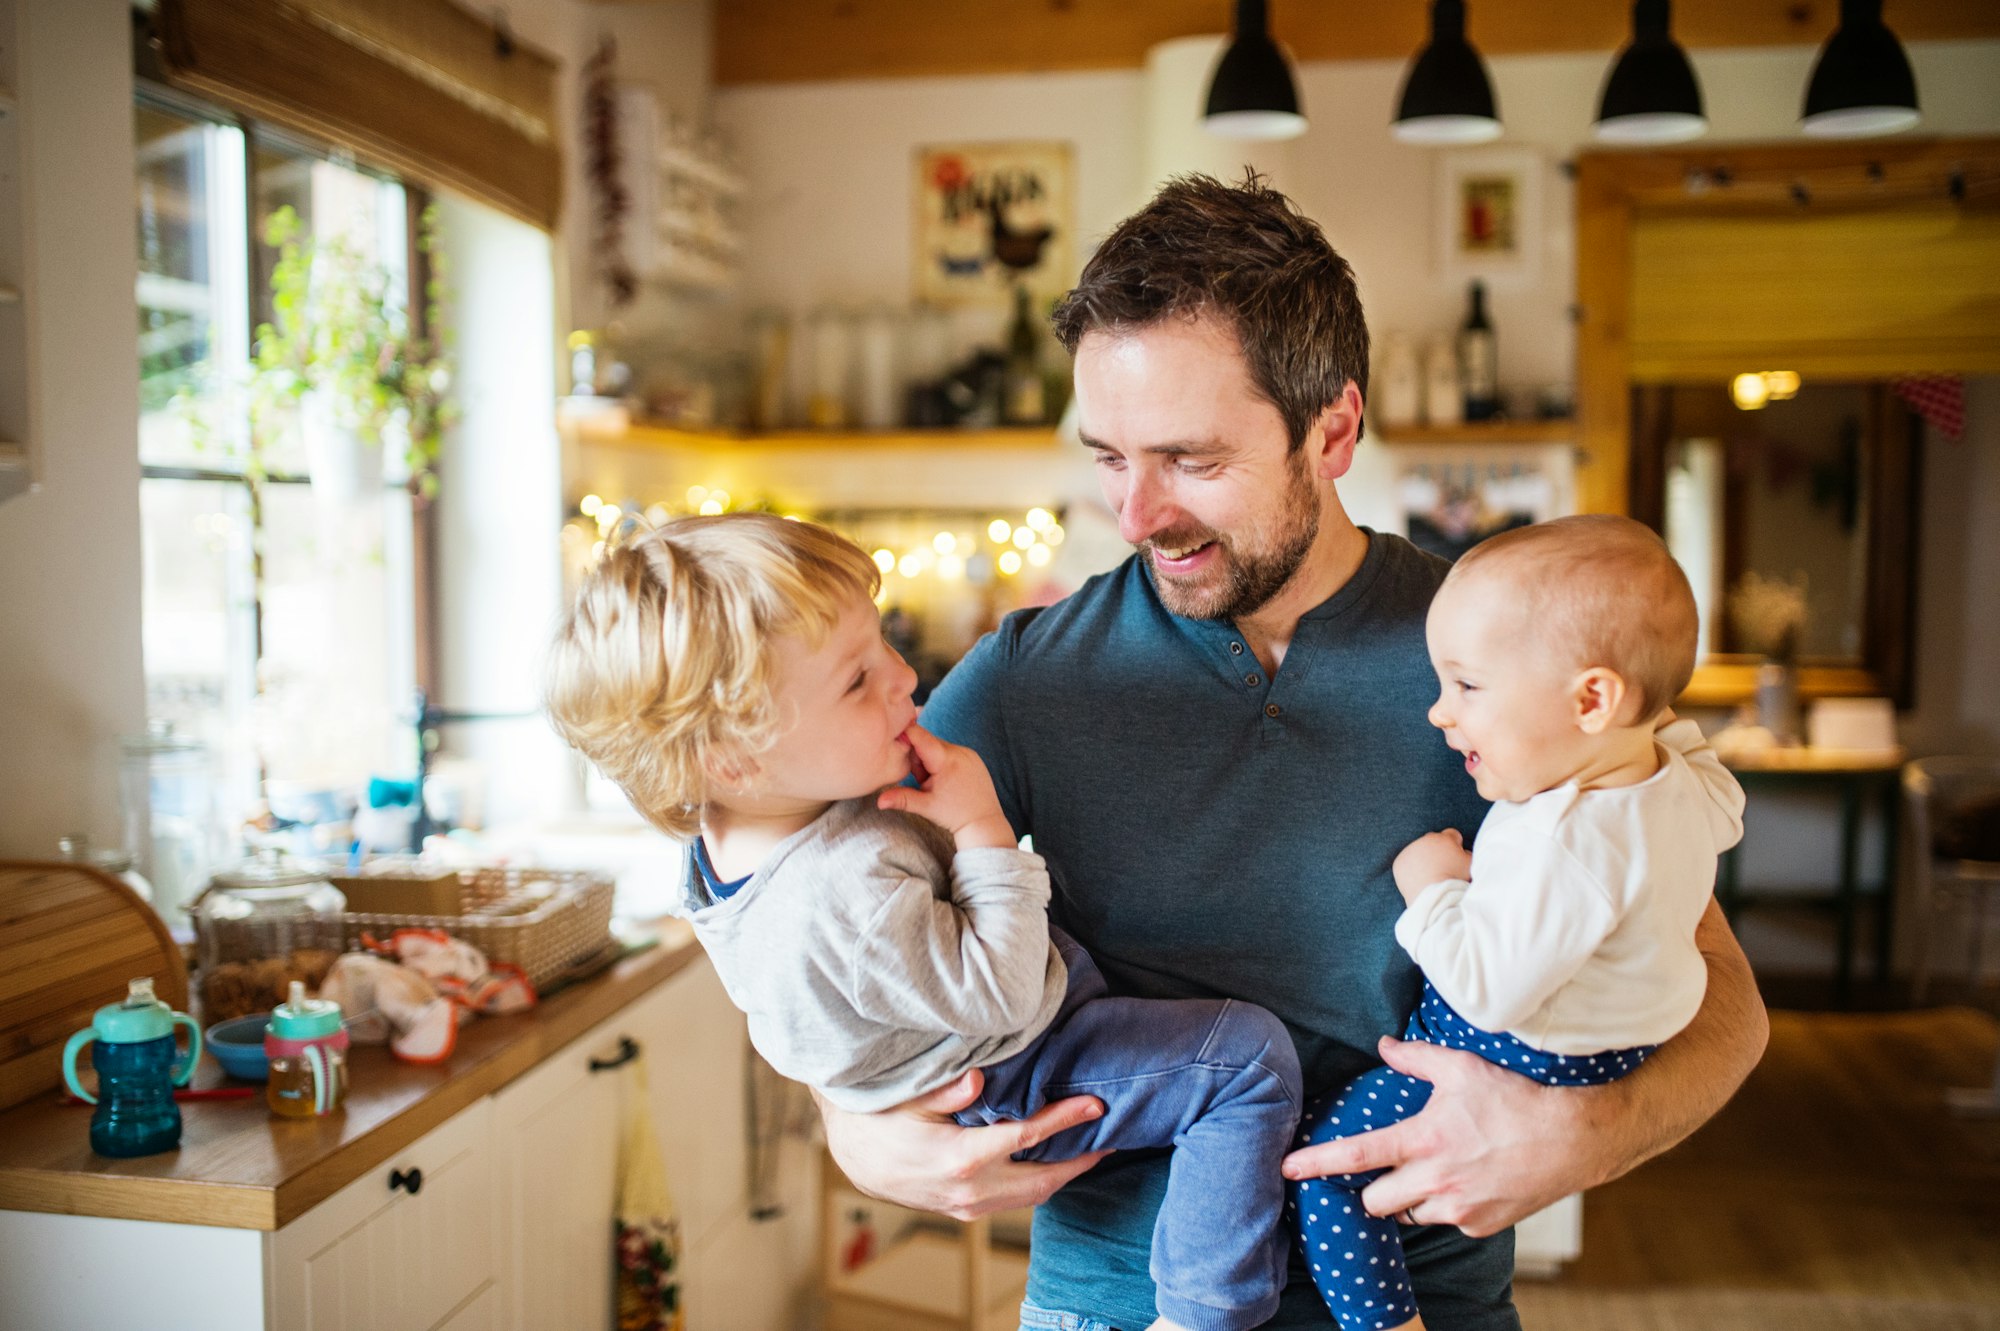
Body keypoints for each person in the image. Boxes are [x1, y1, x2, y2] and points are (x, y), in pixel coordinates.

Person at [817, 172, 1771, 1331]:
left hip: (1431, 1301)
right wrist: (854, 1127)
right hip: (1114, 1305)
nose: (1135, 514)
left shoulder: (1513, 652)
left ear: (1332, 429)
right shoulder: (1027, 676)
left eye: (1190, 459)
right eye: (1109, 457)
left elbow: (1723, 997)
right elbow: (820, 909)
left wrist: (1588, 1133)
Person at [544, 512, 1305, 1331]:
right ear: (732, 757)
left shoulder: (743, 836)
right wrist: (981, 826)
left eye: (882, 643)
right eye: (855, 679)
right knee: (1246, 1061)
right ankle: (1203, 1309)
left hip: (980, 1061)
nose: (904, 676)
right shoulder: (844, 889)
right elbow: (1004, 993)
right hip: (1016, 1066)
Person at [1291, 516, 1746, 1331]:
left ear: (1592, 699)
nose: (1440, 713)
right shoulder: (1673, 782)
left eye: (1467, 686)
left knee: (1326, 1165)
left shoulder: (1562, 840)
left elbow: (1486, 988)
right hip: (1620, 1040)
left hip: (1518, 1046)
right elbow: (1721, 794)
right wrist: (1647, 714)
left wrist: (1432, 887)